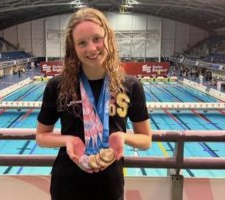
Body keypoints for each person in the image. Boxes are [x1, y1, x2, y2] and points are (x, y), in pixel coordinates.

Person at [36, 7, 152, 200]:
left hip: (109, 186)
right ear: (73, 48)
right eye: (82, 43)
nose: (91, 48)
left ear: (108, 38)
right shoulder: (58, 86)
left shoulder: (130, 85)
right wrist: (69, 140)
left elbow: (146, 139)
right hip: (66, 184)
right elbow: (41, 136)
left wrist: (122, 136)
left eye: (97, 39)